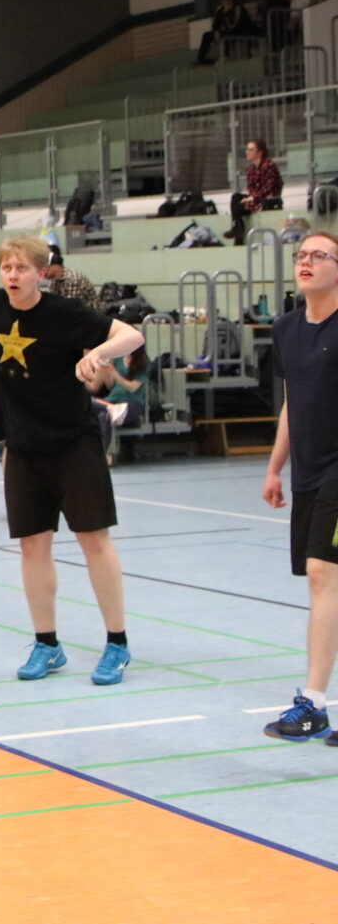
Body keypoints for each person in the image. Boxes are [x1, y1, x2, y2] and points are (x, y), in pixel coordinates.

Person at [0, 238, 145, 684]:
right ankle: (47, 644)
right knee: (32, 545)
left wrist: (97, 353)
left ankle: (117, 643)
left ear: (41, 274)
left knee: (93, 540)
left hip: (73, 442)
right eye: (6, 267)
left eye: (22, 268)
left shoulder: (65, 313)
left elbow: (132, 335)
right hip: (24, 447)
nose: (12, 275)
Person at [260, 233, 338, 741]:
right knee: (326, 581)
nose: (306, 262)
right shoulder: (286, 328)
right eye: (301, 255)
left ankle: (313, 704)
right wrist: (275, 467)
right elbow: (293, 400)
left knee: (321, 574)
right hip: (308, 471)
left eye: (319, 255)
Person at [229, 137, 283, 247]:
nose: (247, 152)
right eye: (247, 149)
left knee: (243, 204)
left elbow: (269, 187)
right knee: (236, 197)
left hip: (268, 199)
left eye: (251, 150)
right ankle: (237, 227)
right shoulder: (250, 169)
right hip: (254, 199)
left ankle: (238, 233)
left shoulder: (269, 166)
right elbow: (251, 188)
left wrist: (253, 197)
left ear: (260, 152)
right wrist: (250, 197)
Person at [196, 0, 254, 64]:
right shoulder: (220, 10)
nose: (226, 2)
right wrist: (215, 32)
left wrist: (227, 13)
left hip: (241, 31)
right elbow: (216, 25)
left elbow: (234, 25)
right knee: (207, 35)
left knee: (225, 35)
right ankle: (201, 59)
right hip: (230, 31)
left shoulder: (238, 8)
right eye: (224, 0)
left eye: (228, 0)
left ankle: (226, 56)